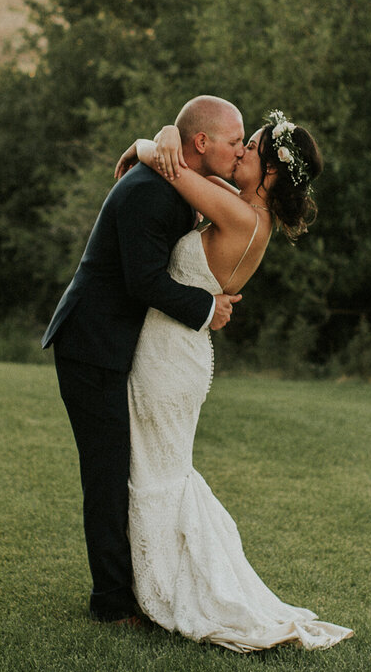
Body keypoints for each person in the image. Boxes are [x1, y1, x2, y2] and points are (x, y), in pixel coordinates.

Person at [112, 109, 352, 652]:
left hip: (170, 355)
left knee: (154, 474)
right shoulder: (239, 206)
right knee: (161, 468)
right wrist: (164, 137)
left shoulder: (242, 217)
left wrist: (147, 141)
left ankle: (162, 590)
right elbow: (175, 159)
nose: (239, 152)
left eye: (251, 148)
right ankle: (153, 580)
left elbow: (166, 165)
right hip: (179, 350)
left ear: (269, 171)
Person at [41, 96, 246, 623]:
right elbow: (145, 281)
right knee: (107, 475)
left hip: (112, 343)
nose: (240, 150)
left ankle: (133, 584)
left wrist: (151, 142)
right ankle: (110, 602)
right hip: (92, 344)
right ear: (201, 143)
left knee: (122, 468)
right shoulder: (151, 194)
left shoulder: (171, 181)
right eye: (233, 141)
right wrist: (209, 307)